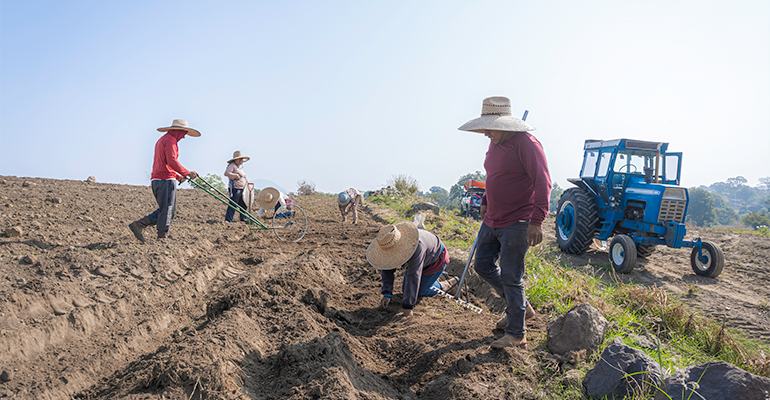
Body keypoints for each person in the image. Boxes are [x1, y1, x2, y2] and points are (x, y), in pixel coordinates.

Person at [458, 97, 552, 349]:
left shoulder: (527, 144)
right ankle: (520, 308)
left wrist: (537, 220)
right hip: (493, 218)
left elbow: (543, 182)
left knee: (511, 276)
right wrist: (486, 200)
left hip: (518, 220)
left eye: (490, 127)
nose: (485, 133)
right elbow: (493, 175)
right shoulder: (495, 143)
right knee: (483, 265)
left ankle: (516, 334)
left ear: (506, 125)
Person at [129, 119, 200, 242]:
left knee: (167, 209)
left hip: (158, 178)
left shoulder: (163, 140)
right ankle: (160, 235)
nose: (183, 137)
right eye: (183, 133)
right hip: (165, 180)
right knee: (168, 210)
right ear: (178, 131)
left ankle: (141, 225)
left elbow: (164, 163)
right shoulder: (170, 140)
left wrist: (178, 176)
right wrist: (187, 172)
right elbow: (172, 161)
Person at [367, 221, 458, 317]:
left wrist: (408, 307)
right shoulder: (390, 242)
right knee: (405, 289)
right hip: (423, 258)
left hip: (435, 260)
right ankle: (438, 277)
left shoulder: (416, 245)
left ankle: (449, 285)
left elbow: (413, 276)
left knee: (420, 292)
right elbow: (387, 268)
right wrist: (387, 293)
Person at [223, 150, 250, 223]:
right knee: (233, 204)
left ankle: (243, 218)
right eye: (240, 159)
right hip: (235, 188)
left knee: (243, 204)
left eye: (242, 159)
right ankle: (228, 220)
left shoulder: (240, 167)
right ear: (236, 159)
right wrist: (235, 175)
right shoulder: (232, 165)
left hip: (242, 189)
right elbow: (226, 173)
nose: (241, 161)